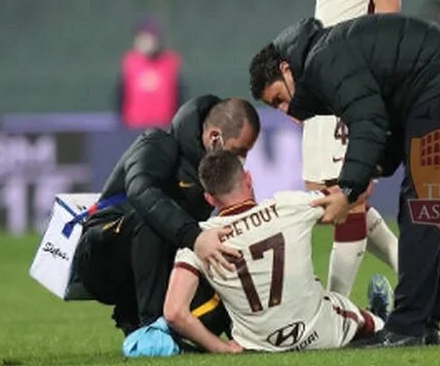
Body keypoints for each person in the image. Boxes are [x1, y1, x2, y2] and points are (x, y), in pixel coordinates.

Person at [249, 13, 440, 347]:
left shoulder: (323, 62)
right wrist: (370, 170)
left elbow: (369, 121)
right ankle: (422, 323)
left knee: (422, 203)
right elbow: (385, 112)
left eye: (279, 98)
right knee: (429, 205)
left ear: (287, 70)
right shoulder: (327, 54)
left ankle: (409, 327)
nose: (287, 110)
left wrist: (348, 189)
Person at [299, 0, 401, 299]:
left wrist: (369, 89)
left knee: (349, 199)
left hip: (353, 80)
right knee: (326, 197)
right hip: (323, 73)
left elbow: (388, 17)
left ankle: (335, 308)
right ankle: (419, 271)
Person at [72, 96, 260, 344]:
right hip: (101, 255)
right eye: (238, 151)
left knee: (210, 318)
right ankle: (151, 331)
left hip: (154, 266)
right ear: (215, 138)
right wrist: (195, 237)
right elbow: (141, 192)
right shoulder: (157, 144)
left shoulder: (211, 173)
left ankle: (245, 336)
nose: (240, 161)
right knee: (150, 214)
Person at [163, 150, 393, 353]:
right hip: (320, 333)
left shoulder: (200, 239)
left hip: (258, 346)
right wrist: (363, 166)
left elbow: (174, 313)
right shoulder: (288, 205)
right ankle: (381, 319)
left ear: (209, 198)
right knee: (365, 319)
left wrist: (221, 348)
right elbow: (356, 192)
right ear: (249, 179)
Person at [117, 17, 188, 129]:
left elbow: (180, 95)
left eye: (149, 38)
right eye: (141, 38)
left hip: (163, 127)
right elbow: (120, 96)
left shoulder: (169, 63)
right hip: (134, 127)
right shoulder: (130, 62)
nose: (145, 42)